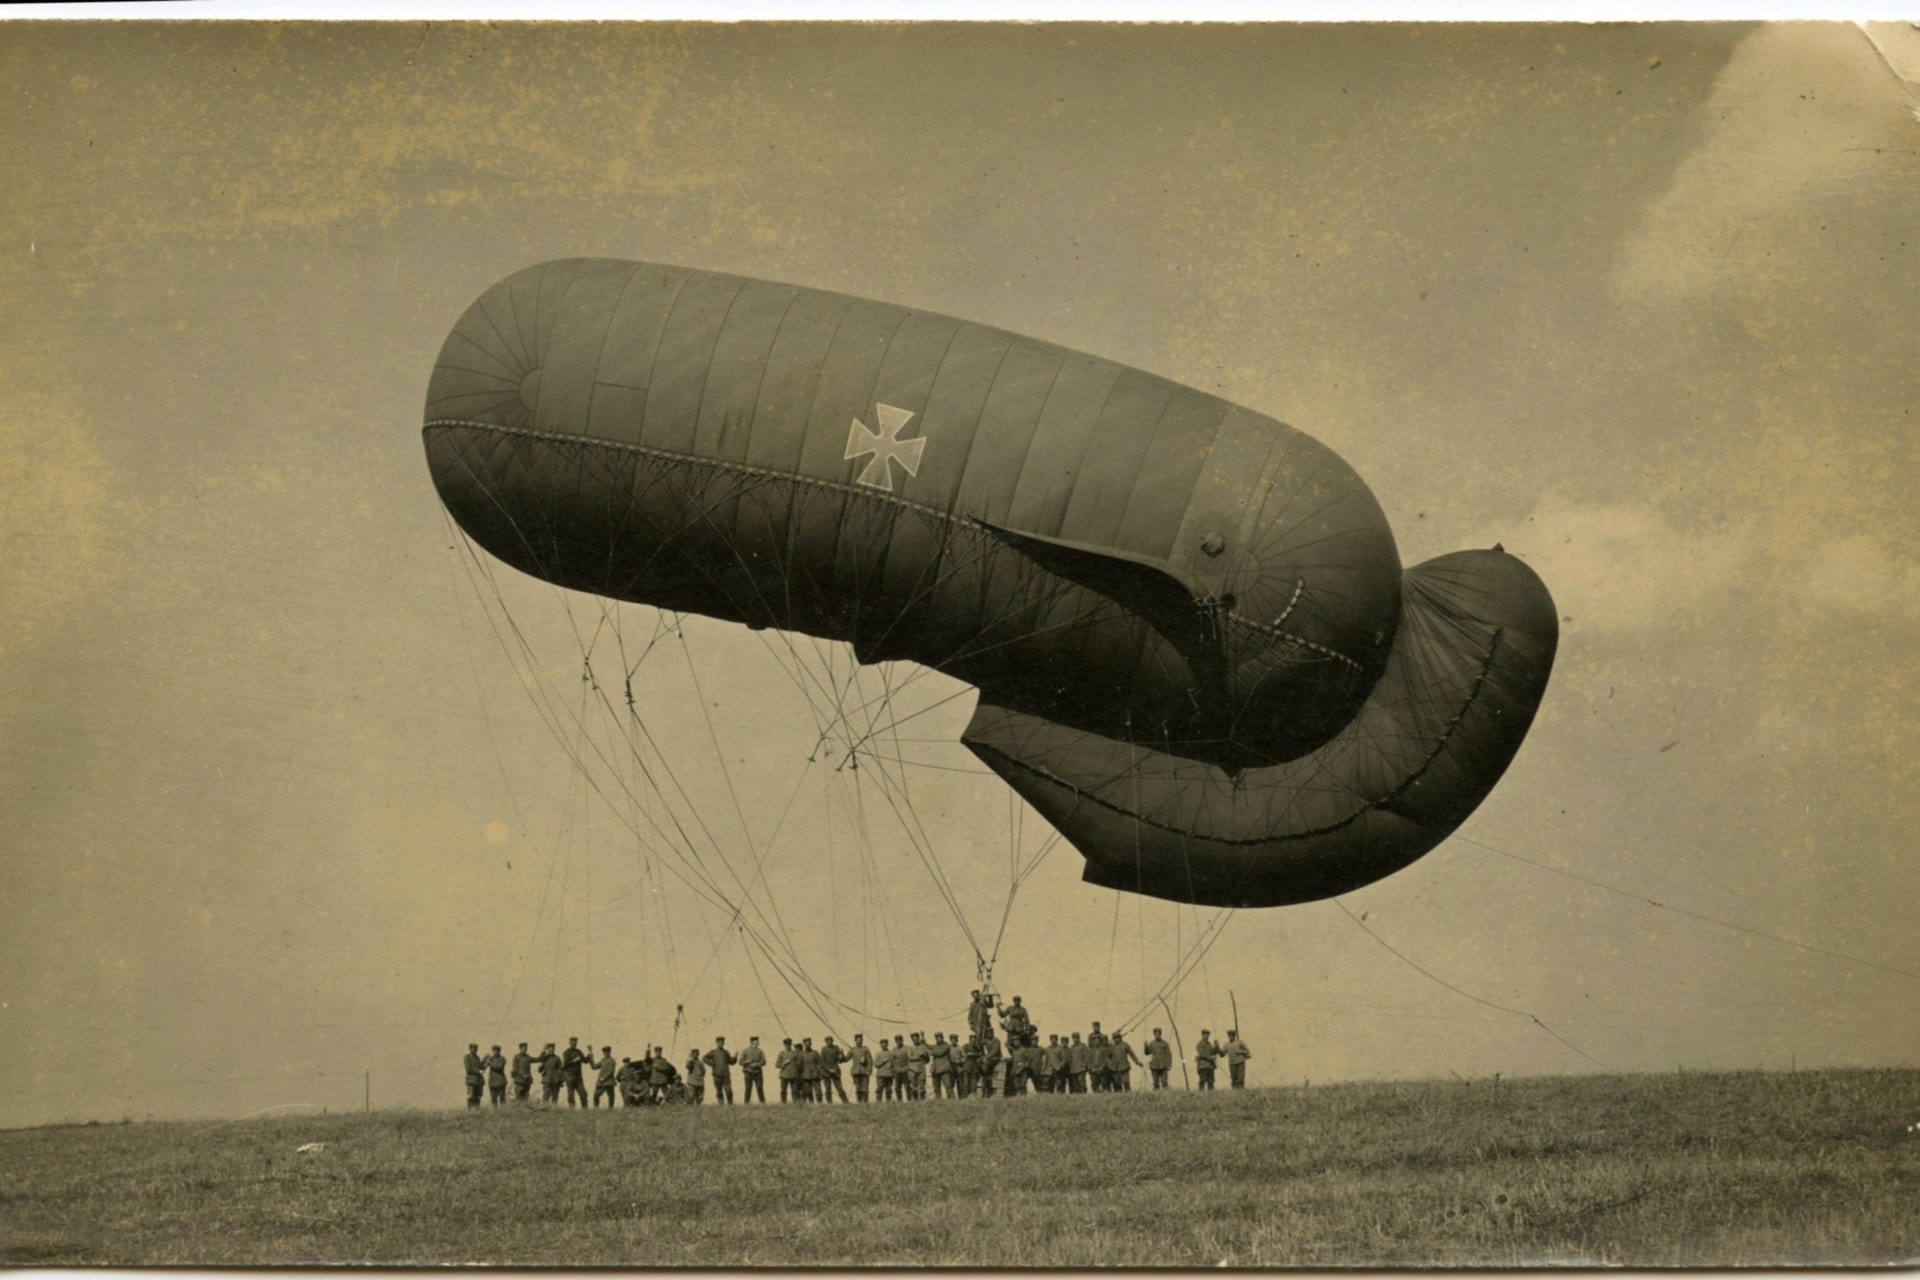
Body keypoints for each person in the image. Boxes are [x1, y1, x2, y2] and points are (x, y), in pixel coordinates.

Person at [705, 1037, 736, 1105]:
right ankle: (721, 1106)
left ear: (724, 1043)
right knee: (719, 1091)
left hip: (726, 1075)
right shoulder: (713, 1052)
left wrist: (735, 1057)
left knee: (728, 1091)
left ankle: (730, 1105)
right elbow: (704, 1058)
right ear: (716, 1043)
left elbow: (730, 1062)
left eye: (722, 1042)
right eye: (719, 1042)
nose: (721, 1043)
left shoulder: (726, 1052)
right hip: (716, 1075)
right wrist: (711, 1064)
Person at [563, 1037, 591, 1108]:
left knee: (583, 1094)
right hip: (570, 1076)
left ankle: (585, 1110)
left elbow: (585, 1061)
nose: (574, 1044)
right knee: (571, 1095)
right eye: (572, 1042)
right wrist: (574, 1060)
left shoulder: (579, 1051)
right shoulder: (566, 1052)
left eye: (575, 1043)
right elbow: (565, 1064)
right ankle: (572, 1110)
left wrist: (590, 1052)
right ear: (569, 1043)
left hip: (578, 1077)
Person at [820, 1036, 849, 1103]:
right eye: (827, 1041)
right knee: (828, 1088)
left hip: (835, 1071)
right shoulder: (823, 1049)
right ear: (826, 1042)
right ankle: (829, 1103)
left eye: (830, 1041)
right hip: (826, 1072)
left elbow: (841, 1060)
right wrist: (828, 1069)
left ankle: (845, 1102)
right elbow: (822, 1062)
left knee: (839, 1087)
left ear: (832, 1041)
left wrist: (841, 1053)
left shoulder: (836, 1048)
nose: (829, 1042)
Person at [739, 1035, 767, 1103]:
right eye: (756, 1041)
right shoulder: (745, 1051)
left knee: (759, 1088)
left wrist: (756, 1064)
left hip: (758, 1072)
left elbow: (763, 1061)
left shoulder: (760, 1051)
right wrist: (747, 1061)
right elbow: (740, 1062)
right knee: (748, 1088)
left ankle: (763, 1104)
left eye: (757, 1041)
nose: (758, 1043)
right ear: (752, 1042)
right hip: (748, 1072)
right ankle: (746, 1104)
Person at [848, 1033, 874, 1103]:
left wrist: (869, 1070)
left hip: (864, 1072)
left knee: (865, 1088)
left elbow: (870, 1061)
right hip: (855, 1072)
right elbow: (846, 1058)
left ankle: (865, 1103)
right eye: (858, 1040)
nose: (859, 1041)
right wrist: (840, 1054)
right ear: (855, 1040)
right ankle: (859, 1103)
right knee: (857, 1088)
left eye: (860, 1040)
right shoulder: (852, 1050)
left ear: (862, 1040)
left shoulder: (865, 1049)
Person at [979, 1031, 1004, 1098]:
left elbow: (995, 1052)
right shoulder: (986, 1040)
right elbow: (980, 1042)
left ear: (993, 1033)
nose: (989, 1034)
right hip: (989, 1057)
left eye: (990, 1033)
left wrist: (986, 1057)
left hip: (995, 1057)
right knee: (978, 1061)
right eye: (988, 1033)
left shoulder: (996, 1041)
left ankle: (986, 1074)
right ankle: (983, 1074)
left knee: (986, 1064)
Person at [906, 1032, 931, 1101]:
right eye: (913, 1039)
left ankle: (922, 1101)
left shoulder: (923, 1047)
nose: (915, 1040)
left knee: (922, 1086)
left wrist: (925, 1055)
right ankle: (915, 1101)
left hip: (921, 1069)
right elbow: (910, 1057)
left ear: (918, 1039)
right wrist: (919, 1056)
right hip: (912, 1070)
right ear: (912, 1040)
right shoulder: (910, 1048)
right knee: (913, 1087)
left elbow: (927, 1060)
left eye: (916, 1039)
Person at [929, 1033, 954, 1099]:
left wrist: (932, 1052)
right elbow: (929, 1046)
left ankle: (952, 1100)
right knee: (936, 1088)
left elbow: (940, 1053)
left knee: (948, 1086)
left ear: (942, 1038)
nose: (938, 1039)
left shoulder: (946, 1045)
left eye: (940, 1038)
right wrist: (923, 1040)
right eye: (937, 1038)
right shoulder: (935, 1046)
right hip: (935, 1069)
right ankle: (938, 1101)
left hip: (944, 1069)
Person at [776, 1038, 800, 1103]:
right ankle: (783, 1103)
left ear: (791, 1045)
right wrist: (783, 1064)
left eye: (789, 1044)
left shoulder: (795, 1053)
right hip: (784, 1075)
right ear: (784, 1045)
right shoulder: (781, 1053)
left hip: (793, 1074)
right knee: (783, 1090)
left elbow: (798, 1063)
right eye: (786, 1045)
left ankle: (795, 1103)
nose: (788, 1046)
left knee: (794, 1091)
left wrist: (796, 1070)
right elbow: (777, 1064)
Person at [799, 1037, 822, 1103]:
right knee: (806, 1092)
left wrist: (820, 1074)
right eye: (806, 1044)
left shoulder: (815, 1053)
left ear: (811, 1044)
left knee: (818, 1092)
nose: (807, 1045)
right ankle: (808, 1105)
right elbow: (799, 1065)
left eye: (809, 1043)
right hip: (805, 1076)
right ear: (804, 1044)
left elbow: (820, 1064)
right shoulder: (801, 1054)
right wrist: (801, 1075)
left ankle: (820, 1105)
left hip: (815, 1075)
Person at [873, 1033, 895, 1102]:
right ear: (880, 1045)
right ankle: (878, 1102)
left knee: (889, 1090)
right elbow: (876, 1064)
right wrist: (883, 1061)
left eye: (885, 1044)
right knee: (879, 1089)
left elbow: (894, 1063)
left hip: (889, 1074)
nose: (883, 1045)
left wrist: (891, 1065)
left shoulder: (891, 1053)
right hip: (881, 1075)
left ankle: (888, 1102)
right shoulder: (878, 1054)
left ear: (887, 1044)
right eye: (882, 1044)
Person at [463, 1044, 485, 1109]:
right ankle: (470, 1111)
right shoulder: (467, 1057)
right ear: (470, 1049)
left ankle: (477, 1111)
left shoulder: (477, 1058)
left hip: (478, 1081)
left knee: (478, 1097)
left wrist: (486, 1063)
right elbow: (468, 1069)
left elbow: (481, 1068)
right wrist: (479, 1071)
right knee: (471, 1097)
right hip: (471, 1081)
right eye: (472, 1048)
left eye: (475, 1049)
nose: (474, 1050)